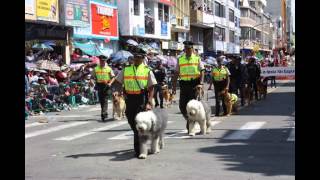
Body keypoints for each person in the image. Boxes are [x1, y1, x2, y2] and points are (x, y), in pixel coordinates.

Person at [109, 47, 157, 158]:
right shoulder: (126, 69)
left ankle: (139, 150)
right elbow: (117, 82)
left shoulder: (147, 70)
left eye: (138, 57)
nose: (136, 59)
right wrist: (121, 91)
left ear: (143, 58)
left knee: (137, 122)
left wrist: (149, 101)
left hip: (141, 98)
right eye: (134, 56)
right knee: (131, 120)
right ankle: (143, 139)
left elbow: (151, 87)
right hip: (129, 99)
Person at [172, 41, 205, 133]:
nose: (187, 50)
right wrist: (174, 87)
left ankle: (191, 124)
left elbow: (202, 71)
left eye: (189, 49)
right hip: (184, 84)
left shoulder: (197, 58)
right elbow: (176, 73)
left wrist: (201, 83)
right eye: (186, 49)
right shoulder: (180, 59)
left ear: (192, 49)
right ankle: (189, 119)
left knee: (192, 106)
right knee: (182, 106)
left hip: (194, 85)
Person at [92, 55, 115, 121]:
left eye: (103, 61)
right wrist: (91, 81)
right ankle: (105, 112)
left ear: (105, 61)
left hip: (106, 85)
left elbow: (113, 77)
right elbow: (92, 77)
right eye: (101, 60)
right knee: (101, 100)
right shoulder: (96, 68)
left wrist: (110, 83)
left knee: (105, 99)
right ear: (99, 60)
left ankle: (103, 113)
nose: (102, 62)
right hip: (99, 85)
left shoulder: (109, 68)